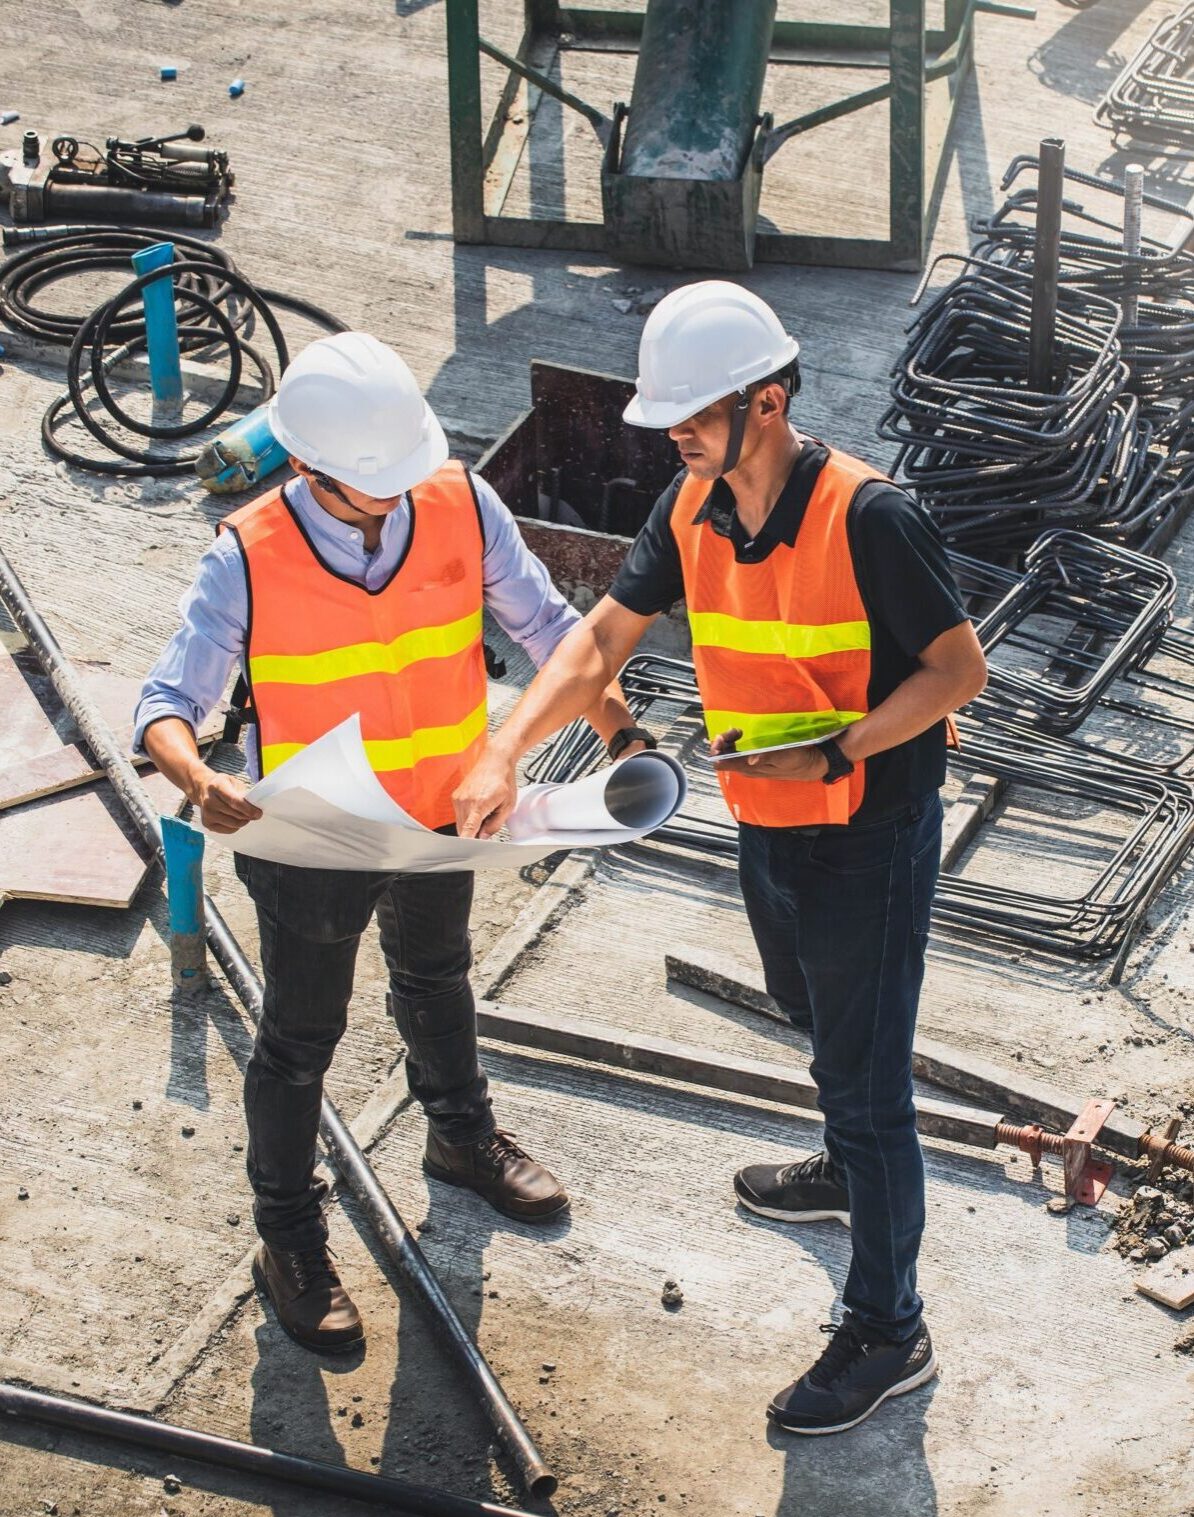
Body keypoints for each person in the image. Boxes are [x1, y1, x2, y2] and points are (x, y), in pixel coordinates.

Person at [452, 281, 988, 1435]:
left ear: (768, 402)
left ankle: (890, 1330)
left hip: (869, 834)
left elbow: (959, 674)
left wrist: (839, 749)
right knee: (810, 1013)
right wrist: (504, 749)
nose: (676, 436)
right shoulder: (692, 505)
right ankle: (845, 1171)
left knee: (870, 1081)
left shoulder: (872, 518)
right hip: (768, 822)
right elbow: (599, 641)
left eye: (694, 415)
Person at [135, 331, 642, 1354]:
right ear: (308, 465)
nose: (399, 492)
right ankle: (287, 1236)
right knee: (300, 1038)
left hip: (443, 815)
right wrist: (199, 779)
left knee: (437, 975)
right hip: (314, 838)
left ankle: (460, 1137)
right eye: (377, 480)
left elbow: (553, 633)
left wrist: (622, 733)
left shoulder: (458, 501)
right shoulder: (247, 554)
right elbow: (165, 703)